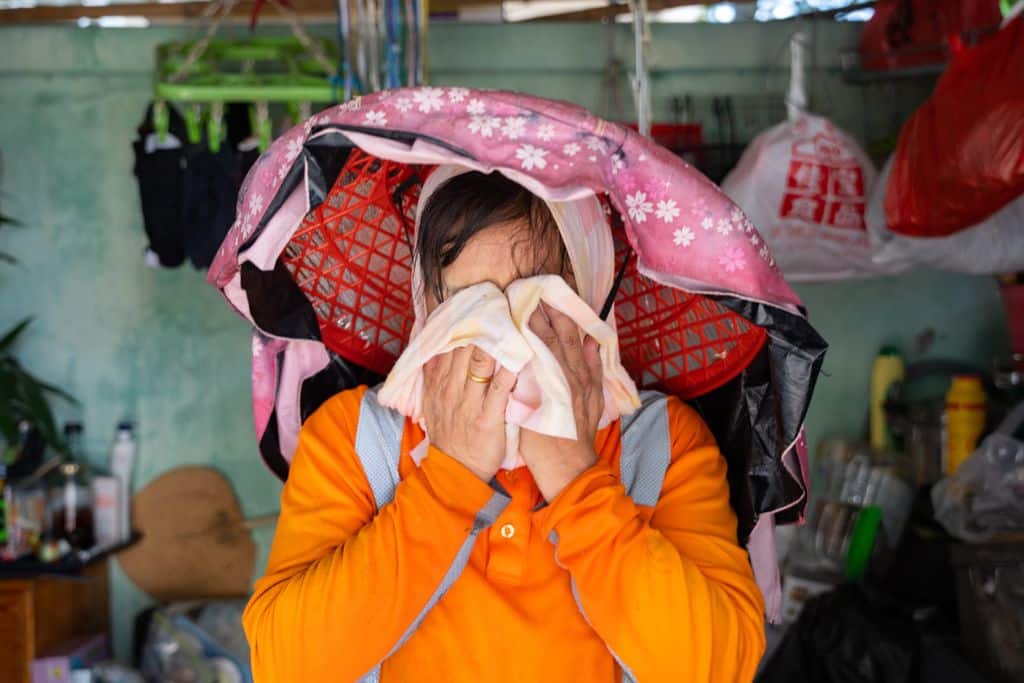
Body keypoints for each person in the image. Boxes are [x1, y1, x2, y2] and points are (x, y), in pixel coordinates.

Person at [242, 170, 767, 682]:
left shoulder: (664, 444)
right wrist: (447, 479)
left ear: (591, 298)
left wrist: (576, 479)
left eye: (534, 302)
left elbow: (719, 668)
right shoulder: (355, 439)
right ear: (428, 310)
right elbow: (286, 667)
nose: (502, 339)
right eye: (470, 306)